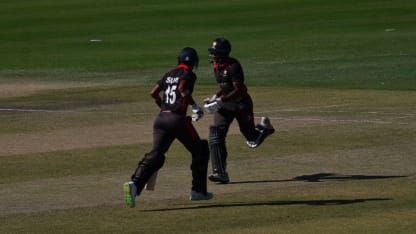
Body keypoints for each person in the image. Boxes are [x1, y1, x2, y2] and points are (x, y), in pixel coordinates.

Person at [123, 47, 213, 208]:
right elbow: (182, 88)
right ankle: (198, 191)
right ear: (193, 62)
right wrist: (194, 106)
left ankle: (134, 185)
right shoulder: (189, 74)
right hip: (177, 119)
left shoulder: (169, 73)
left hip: (161, 118)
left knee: (156, 155)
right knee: (200, 149)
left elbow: (153, 93)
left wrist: (163, 107)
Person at [203, 38, 275, 184]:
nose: (213, 56)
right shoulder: (217, 66)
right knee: (216, 134)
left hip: (241, 105)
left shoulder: (234, 66)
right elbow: (225, 86)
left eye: (215, 53)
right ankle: (220, 172)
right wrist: (214, 97)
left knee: (252, 140)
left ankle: (265, 129)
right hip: (225, 106)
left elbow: (238, 89)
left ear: (223, 53)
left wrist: (220, 100)